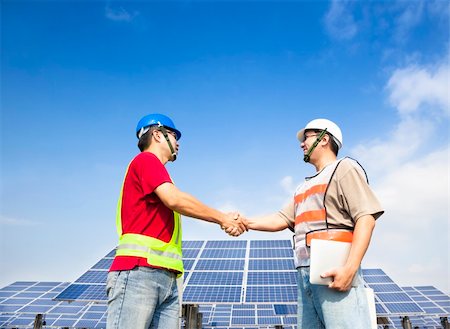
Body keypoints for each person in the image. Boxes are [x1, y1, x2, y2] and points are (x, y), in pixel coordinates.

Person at [229, 118, 383, 328]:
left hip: (334, 267)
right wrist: (246, 222)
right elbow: (281, 219)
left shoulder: (344, 168)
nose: (302, 144)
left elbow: (366, 218)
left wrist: (350, 268)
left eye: (307, 138)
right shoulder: (303, 186)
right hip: (305, 271)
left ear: (324, 139)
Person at [106, 113, 247, 329]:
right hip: (139, 273)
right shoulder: (146, 161)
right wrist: (222, 218)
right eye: (173, 135)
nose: (178, 143)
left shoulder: (157, 171)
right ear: (157, 135)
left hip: (166, 276)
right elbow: (175, 199)